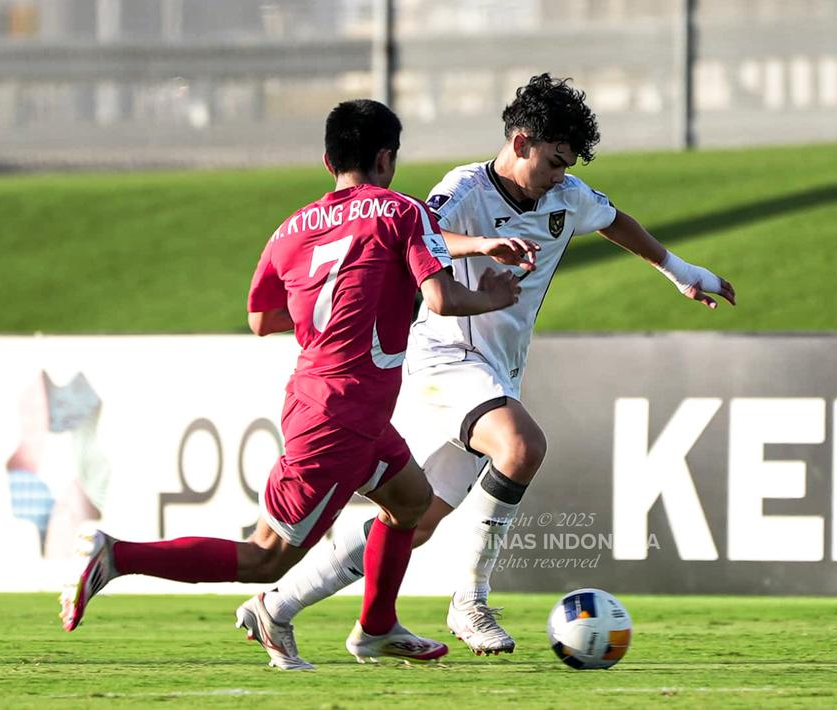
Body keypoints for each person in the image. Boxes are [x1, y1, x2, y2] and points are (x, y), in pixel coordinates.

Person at [243, 74, 736, 668]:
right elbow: (418, 235)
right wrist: (479, 244)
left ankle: (278, 605)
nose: (560, 176)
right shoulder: (464, 189)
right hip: (444, 356)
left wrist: (681, 272)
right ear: (521, 143)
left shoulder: (566, 197)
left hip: (496, 371)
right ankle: (470, 601)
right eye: (553, 162)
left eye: (567, 165)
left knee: (413, 521)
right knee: (522, 446)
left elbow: (614, 220)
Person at [58, 99, 525, 669]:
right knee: (265, 558)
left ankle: (377, 626)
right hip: (339, 416)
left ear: (329, 160)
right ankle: (117, 557)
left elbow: (261, 319)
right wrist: (492, 296)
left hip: (335, 403)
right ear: (386, 158)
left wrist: (334, 316)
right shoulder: (402, 212)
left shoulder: (290, 229)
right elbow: (443, 299)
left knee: (410, 502)